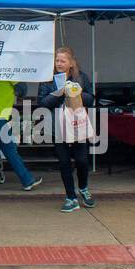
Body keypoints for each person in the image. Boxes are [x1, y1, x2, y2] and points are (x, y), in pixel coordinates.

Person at [37, 46, 96, 212]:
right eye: (57, 60)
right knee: (64, 163)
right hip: (58, 127)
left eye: (63, 60)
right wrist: (59, 93)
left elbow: (90, 99)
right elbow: (42, 103)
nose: (59, 63)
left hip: (78, 126)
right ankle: (71, 197)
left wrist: (76, 92)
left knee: (82, 161)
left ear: (71, 63)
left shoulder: (81, 77)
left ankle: (83, 188)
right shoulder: (48, 79)